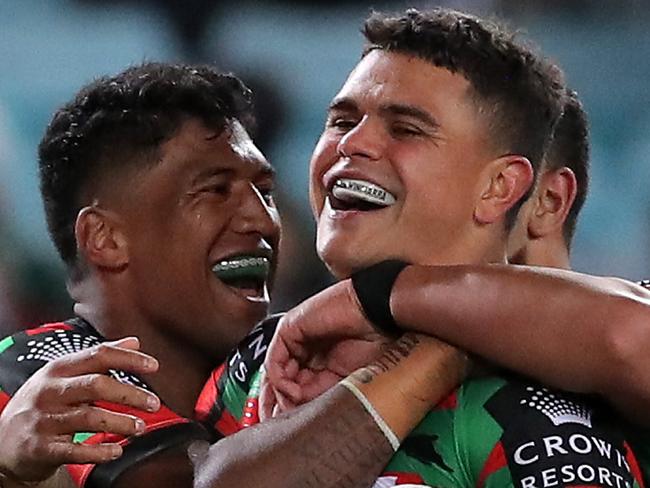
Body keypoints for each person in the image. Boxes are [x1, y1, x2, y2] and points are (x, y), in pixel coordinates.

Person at [209, 8, 649, 487]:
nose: (353, 143)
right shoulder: (265, 355)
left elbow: (629, 337)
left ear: (501, 187)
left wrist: (381, 305)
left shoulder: (543, 414)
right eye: (341, 120)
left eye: (406, 129)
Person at [0, 62, 466, 488]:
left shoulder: (278, 366)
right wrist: (439, 350)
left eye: (263, 191)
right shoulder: (40, 371)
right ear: (105, 238)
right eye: (215, 190)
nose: (261, 221)